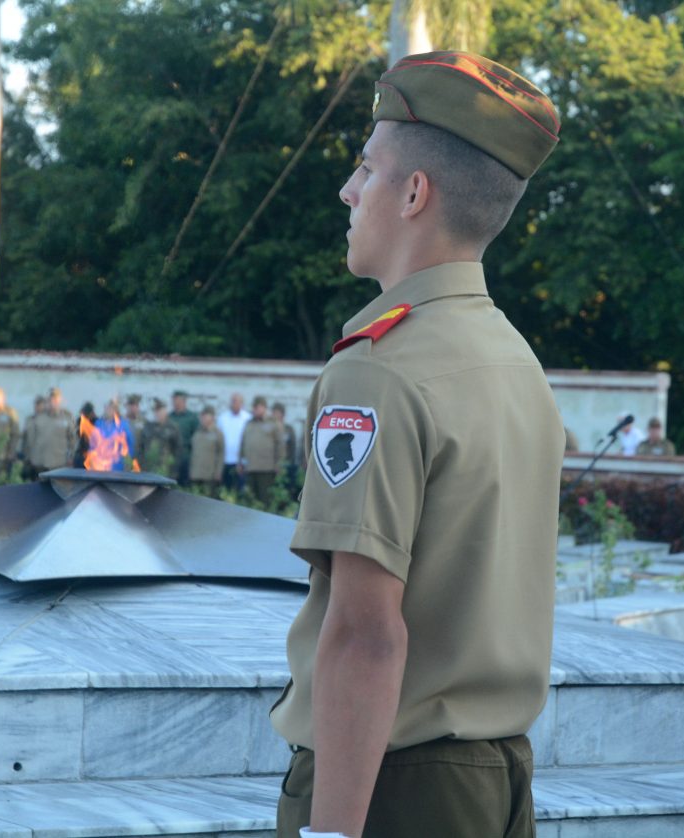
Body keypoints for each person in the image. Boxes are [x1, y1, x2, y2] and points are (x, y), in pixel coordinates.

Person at [270, 52, 565, 838]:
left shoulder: (379, 373)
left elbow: (366, 633)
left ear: (412, 193)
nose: (348, 190)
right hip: (499, 781)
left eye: (365, 169)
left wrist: (330, 832)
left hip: (390, 790)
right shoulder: (516, 363)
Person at [240, 396, 285, 504]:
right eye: (254, 407)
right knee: (249, 499)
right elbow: (243, 444)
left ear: (264, 408)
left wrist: (278, 465)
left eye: (257, 407)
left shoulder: (273, 423)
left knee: (265, 500)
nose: (255, 409)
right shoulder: (249, 423)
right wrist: (240, 462)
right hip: (250, 468)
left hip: (266, 469)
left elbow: (280, 446)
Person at [36, 386, 76, 471]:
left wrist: (71, 458)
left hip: (60, 464)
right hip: (41, 464)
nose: (52, 402)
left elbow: (73, 440)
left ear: (60, 400)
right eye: (50, 400)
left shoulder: (67, 417)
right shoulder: (39, 418)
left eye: (55, 399)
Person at [216, 392, 251, 491]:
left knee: (239, 490)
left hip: (241, 463)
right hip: (225, 461)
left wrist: (243, 461)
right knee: (225, 490)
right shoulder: (223, 418)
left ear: (242, 403)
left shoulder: (247, 418)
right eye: (233, 401)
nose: (234, 404)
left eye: (237, 402)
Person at [139, 397, 181, 476]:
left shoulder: (172, 428)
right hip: (148, 468)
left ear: (165, 411)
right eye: (156, 411)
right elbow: (141, 447)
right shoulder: (148, 427)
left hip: (166, 469)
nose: (158, 413)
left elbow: (177, 450)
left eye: (160, 410)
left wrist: (173, 469)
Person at [189, 405, 224, 493]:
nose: (202, 419)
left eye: (205, 416)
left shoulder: (218, 433)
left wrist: (218, 472)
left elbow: (221, 454)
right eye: (202, 416)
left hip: (209, 476)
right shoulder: (197, 432)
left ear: (212, 417)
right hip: (196, 474)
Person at [169, 389, 199, 485]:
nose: (176, 403)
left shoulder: (192, 418)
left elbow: (196, 437)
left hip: (186, 455)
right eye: (175, 401)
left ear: (184, 402)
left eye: (179, 401)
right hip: (171, 456)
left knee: (185, 483)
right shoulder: (169, 417)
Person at [272, 402, 299, 490]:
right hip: (272, 467)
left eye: (277, 413)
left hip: (287, 465)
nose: (275, 415)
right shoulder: (269, 430)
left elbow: (293, 447)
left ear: (282, 414)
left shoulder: (289, 429)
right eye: (273, 413)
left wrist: (289, 463)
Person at [20, 396, 48, 480]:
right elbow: (24, 438)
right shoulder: (29, 419)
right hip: (30, 459)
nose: (37, 407)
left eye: (40, 404)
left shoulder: (49, 421)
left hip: (44, 461)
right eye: (36, 404)